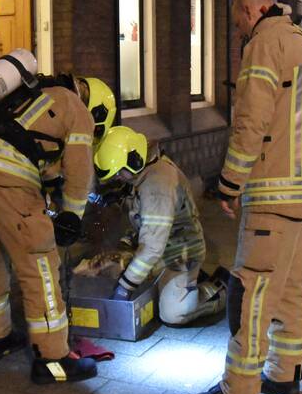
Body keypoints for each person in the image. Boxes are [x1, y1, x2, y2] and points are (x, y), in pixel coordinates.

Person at [184, 0, 302, 394]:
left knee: (250, 293)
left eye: (237, 24)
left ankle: (239, 391)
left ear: (252, 10)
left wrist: (230, 183)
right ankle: (285, 375)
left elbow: (251, 122)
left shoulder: (264, 44)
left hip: (270, 197)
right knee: (290, 290)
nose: (239, 34)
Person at [0, 50, 98, 384]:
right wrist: (72, 215)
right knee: (40, 267)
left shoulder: (25, 98)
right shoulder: (75, 108)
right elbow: (78, 168)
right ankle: (53, 358)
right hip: (7, 181)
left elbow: (38, 158)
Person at [93, 126, 226, 325]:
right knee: (126, 274)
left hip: (179, 255)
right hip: (160, 247)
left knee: (172, 312)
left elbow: (153, 247)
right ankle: (181, 282)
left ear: (134, 161)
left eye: (118, 174)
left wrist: (124, 288)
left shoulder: (158, 185)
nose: (117, 178)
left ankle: (217, 288)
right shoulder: (144, 171)